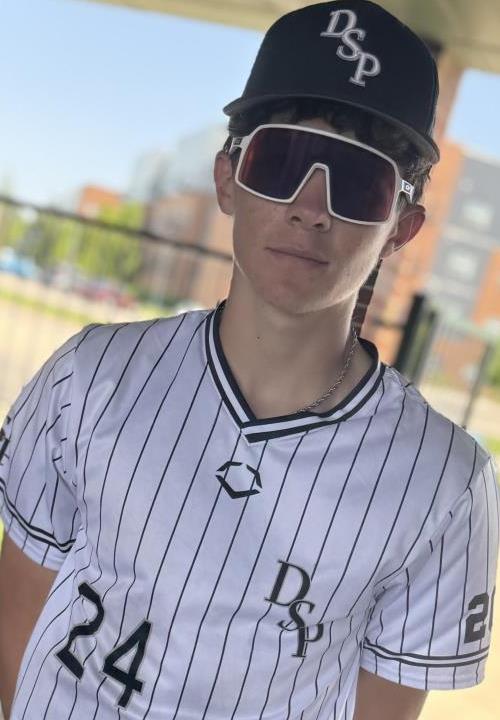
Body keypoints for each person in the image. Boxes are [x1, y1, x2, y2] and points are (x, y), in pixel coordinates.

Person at [0, 1, 498, 718]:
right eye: (282, 161)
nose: (310, 207)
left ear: (402, 227)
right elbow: (15, 632)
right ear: (228, 178)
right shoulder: (89, 377)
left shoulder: (446, 481)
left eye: (359, 181)